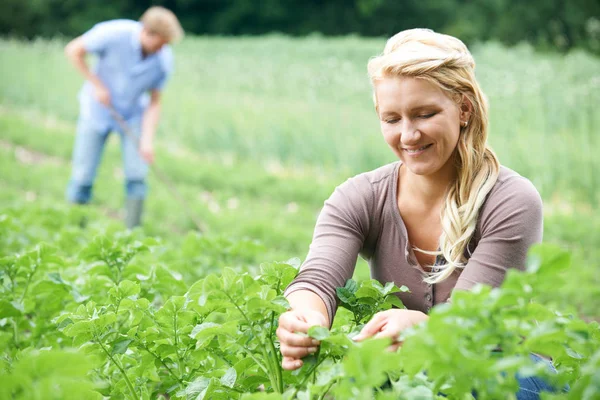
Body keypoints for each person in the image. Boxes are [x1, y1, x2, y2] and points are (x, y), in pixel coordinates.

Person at [277, 29, 552, 398]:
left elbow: (470, 321)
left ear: (464, 109)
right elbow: (318, 278)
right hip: (406, 378)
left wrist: (421, 326)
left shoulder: (511, 200)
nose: (408, 135)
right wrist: (304, 318)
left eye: (424, 114)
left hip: (499, 377)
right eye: (392, 119)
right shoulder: (359, 197)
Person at [64, 6, 183, 228]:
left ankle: (132, 234)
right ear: (148, 32)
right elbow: (73, 50)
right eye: (161, 42)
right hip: (97, 110)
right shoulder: (113, 33)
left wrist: (147, 139)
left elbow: (155, 102)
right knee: (83, 174)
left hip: (133, 115)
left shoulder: (163, 60)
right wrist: (96, 84)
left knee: (137, 176)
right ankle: (74, 229)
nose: (163, 48)